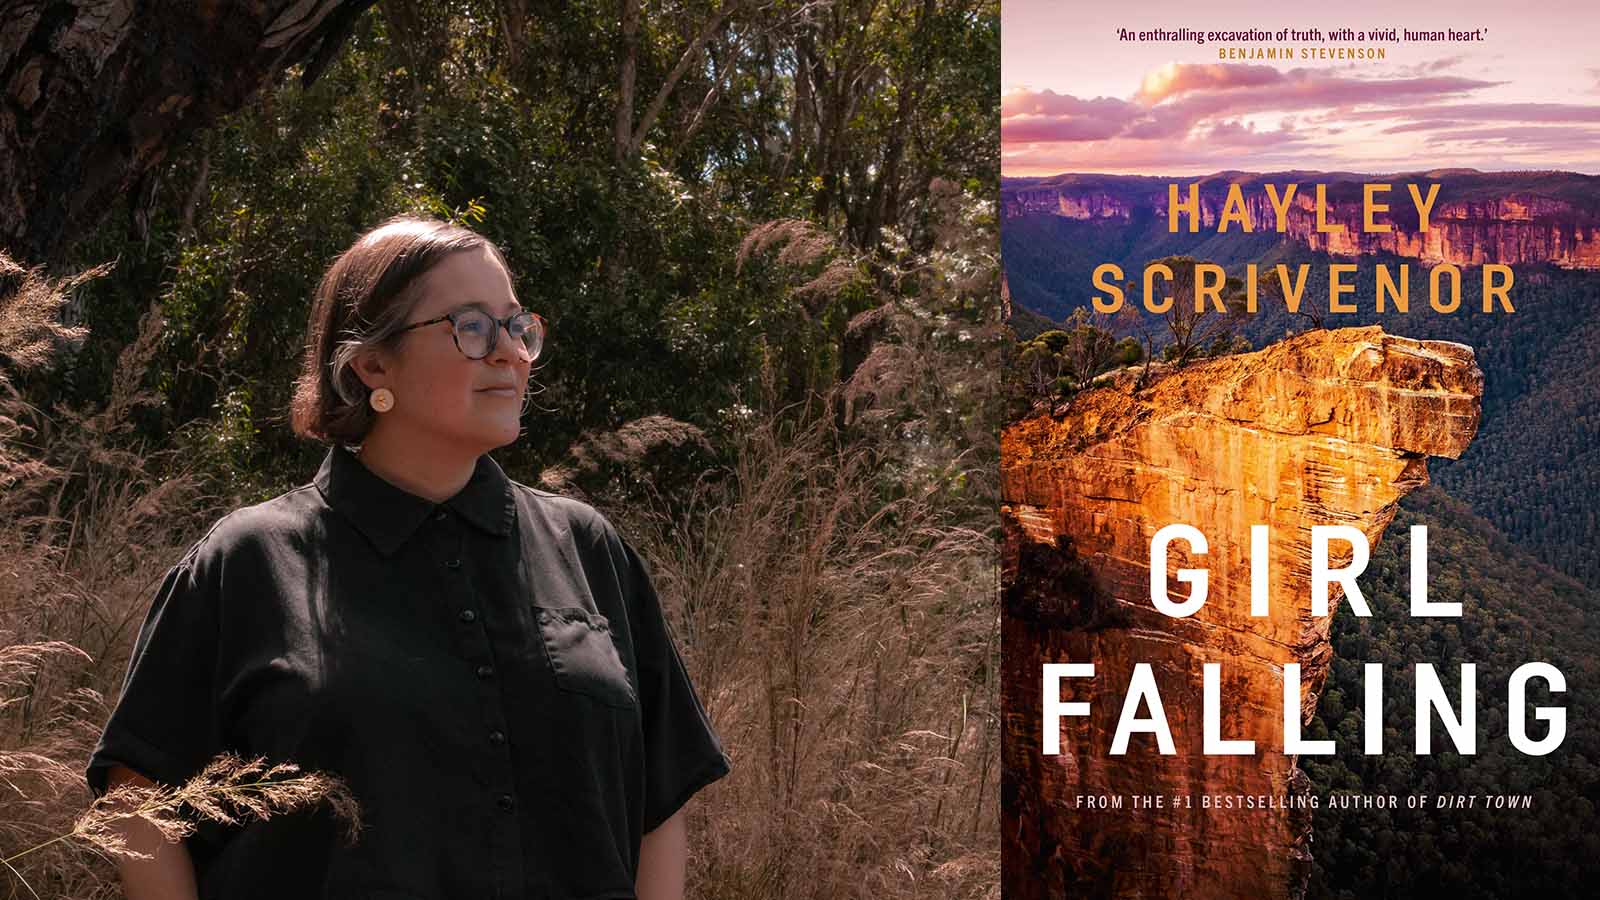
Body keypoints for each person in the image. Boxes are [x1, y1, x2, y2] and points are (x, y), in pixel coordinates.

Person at [83, 215, 732, 900]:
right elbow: (140, 798)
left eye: (518, 327)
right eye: (472, 326)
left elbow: (659, 804)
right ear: (372, 363)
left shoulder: (590, 548)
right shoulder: (248, 560)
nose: (509, 352)